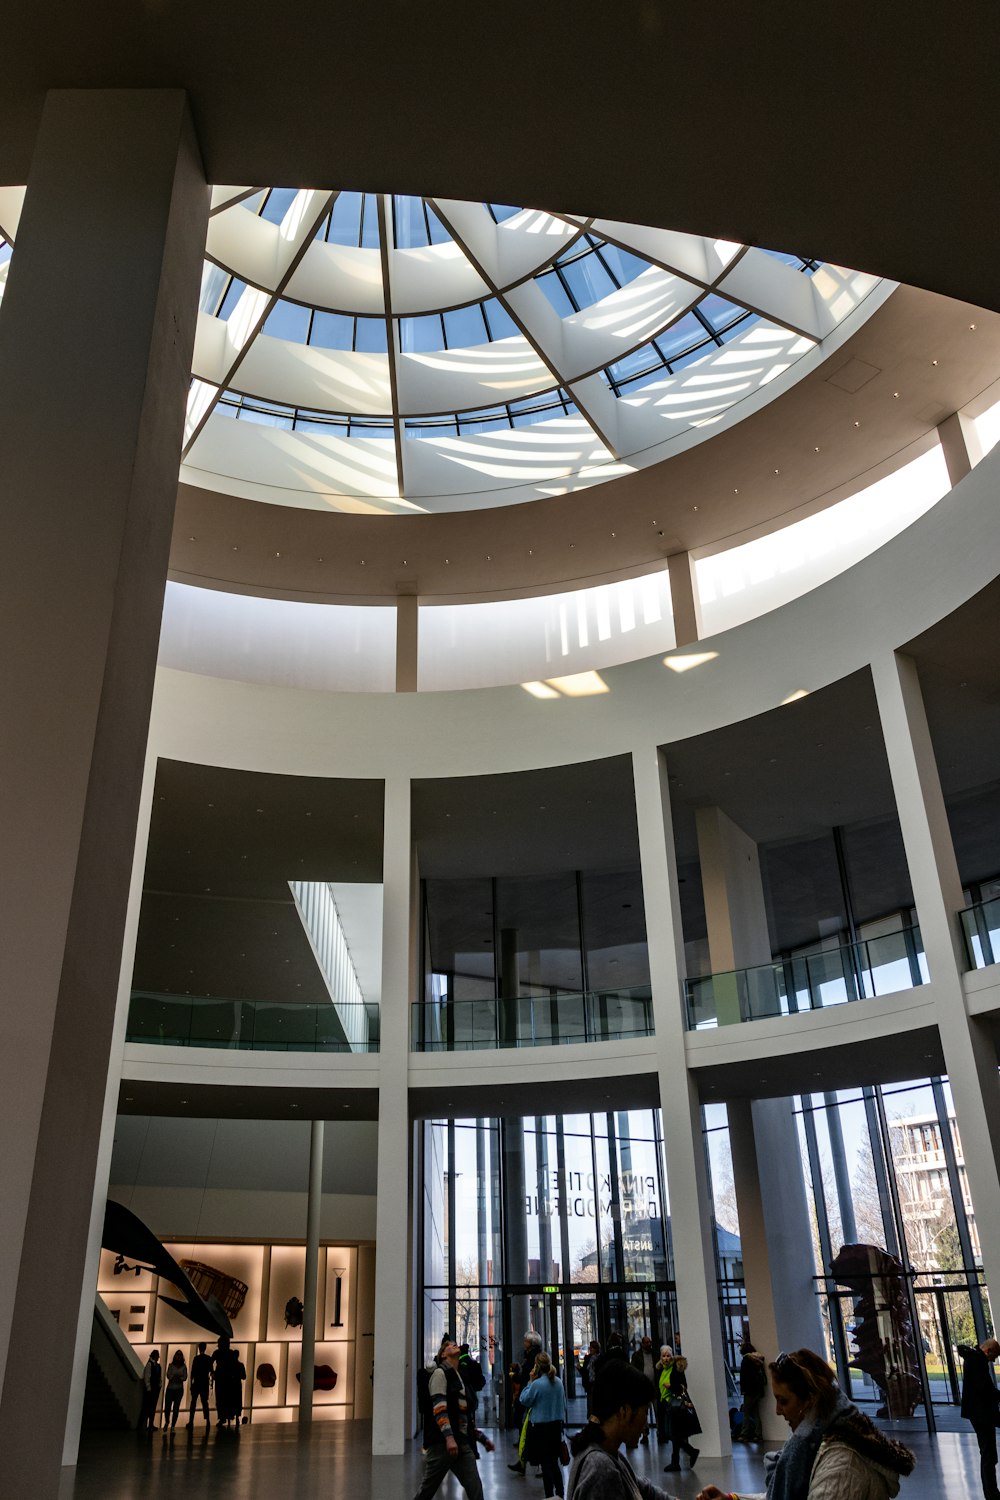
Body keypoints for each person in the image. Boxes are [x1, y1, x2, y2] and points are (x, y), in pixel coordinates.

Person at [695, 1347, 915, 1500]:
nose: (777, 1411)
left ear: (810, 1399)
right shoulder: (811, 1443)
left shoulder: (841, 1463)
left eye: (784, 1401)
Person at [566, 1360, 680, 1500]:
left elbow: (645, 1490)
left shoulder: (609, 1455)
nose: (645, 1422)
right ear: (624, 1411)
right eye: (644, 1412)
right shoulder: (601, 1469)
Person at [413, 1337, 495, 1500]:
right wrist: (449, 1438)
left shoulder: (458, 1376)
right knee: (427, 1491)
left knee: (475, 1488)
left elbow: (462, 1416)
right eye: (448, 1346)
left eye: (453, 1343)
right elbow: (439, 1408)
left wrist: (481, 1437)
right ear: (443, 1354)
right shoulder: (439, 1373)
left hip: (461, 1443)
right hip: (442, 1444)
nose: (453, 1344)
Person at [521, 1352, 568, 1499]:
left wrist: (529, 1381)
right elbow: (564, 1405)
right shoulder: (558, 1382)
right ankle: (560, 1493)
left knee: (545, 1463)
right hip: (556, 1428)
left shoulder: (536, 1385)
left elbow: (524, 1400)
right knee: (554, 1463)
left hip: (540, 1429)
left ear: (537, 1366)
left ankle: (549, 1495)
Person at [958, 1337, 1000, 1500]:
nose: (994, 1360)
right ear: (988, 1351)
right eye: (994, 1356)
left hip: (980, 1413)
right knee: (988, 1454)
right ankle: (991, 1493)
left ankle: (992, 1492)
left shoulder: (973, 1359)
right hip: (983, 1414)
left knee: (988, 1453)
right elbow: (985, 1390)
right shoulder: (977, 1362)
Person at [509, 1331, 543, 1475]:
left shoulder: (532, 1358)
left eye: (526, 1341)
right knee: (526, 1431)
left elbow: (526, 1374)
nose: (524, 1343)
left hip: (529, 1395)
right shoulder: (530, 1356)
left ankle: (526, 1463)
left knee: (528, 1431)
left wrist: (518, 1376)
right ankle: (523, 1463)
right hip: (528, 1394)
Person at [662, 1355, 700, 1473]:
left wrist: (670, 1386)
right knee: (676, 1435)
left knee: (675, 1435)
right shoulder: (678, 1370)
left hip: (677, 1408)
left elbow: (681, 1388)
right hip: (680, 1407)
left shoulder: (674, 1370)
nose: (666, 1359)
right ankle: (680, 1459)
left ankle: (685, 1456)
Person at [737, 1341, 767, 1443]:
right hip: (758, 1390)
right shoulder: (758, 1360)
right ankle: (759, 1435)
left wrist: (743, 1390)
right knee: (756, 1412)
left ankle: (744, 1434)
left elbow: (744, 1376)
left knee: (746, 1412)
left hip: (749, 1390)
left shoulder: (746, 1360)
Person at [630, 1336, 657, 1443]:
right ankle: (645, 1433)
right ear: (642, 1344)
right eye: (646, 1342)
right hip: (643, 1388)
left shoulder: (655, 1355)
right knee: (644, 1412)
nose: (648, 1344)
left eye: (650, 1342)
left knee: (657, 1410)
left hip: (655, 1386)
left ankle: (660, 1433)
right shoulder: (637, 1356)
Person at [187, 1341, 212, 1426]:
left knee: (193, 1402)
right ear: (205, 1348)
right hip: (204, 1382)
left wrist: (191, 1384)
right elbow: (211, 1371)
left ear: (199, 1348)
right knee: (205, 1402)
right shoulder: (208, 1358)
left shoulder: (196, 1358)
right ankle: (208, 1421)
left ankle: (191, 1421)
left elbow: (192, 1372)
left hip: (197, 1382)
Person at [162, 1349, 188, 1430]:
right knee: (167, 1407)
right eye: (177, 1355)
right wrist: (174, 1378)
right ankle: (167, 1421)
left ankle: (173, 1425)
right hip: (170, 1388)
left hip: (179, 1389)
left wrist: (179, 1379)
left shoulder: (184, 1366)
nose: (178, 1356)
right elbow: (168, 1375)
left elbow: (185, 1377)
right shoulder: (171, 1365)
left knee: (176, 1408)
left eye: (180, 1355)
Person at [139, 1348, 161, 1431]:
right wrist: (149, 1388)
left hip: (153, 1389)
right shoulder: (151, 1365)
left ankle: (149, 1424)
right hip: (152, 1389)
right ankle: (146, 1424)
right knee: (148, 1407)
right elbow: (147, 1377)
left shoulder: (153, 1365)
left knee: (150, 1407)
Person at [654, 1348, 674, 1444]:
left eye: (668, 1356)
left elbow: (682, 1385)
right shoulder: (660, 1370)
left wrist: (672, 1386)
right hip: (663, 1400)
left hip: (672, 1400)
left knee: (672, 1428)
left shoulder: (674, 1369)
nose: (666, 1358)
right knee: (665, 1427)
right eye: (664, 1356)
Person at [581, 1341, 602, 1417]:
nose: (590, 1349)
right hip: (590, 1383)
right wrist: (580, 1369)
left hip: (597, 1383)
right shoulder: (588, 1358)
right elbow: (585, 1371)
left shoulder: (600, 1359)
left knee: (596, 1402)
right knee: (590, 1403)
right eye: (590, 1347)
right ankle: (591, 1417)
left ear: (596, 1349)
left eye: (592, 1347)